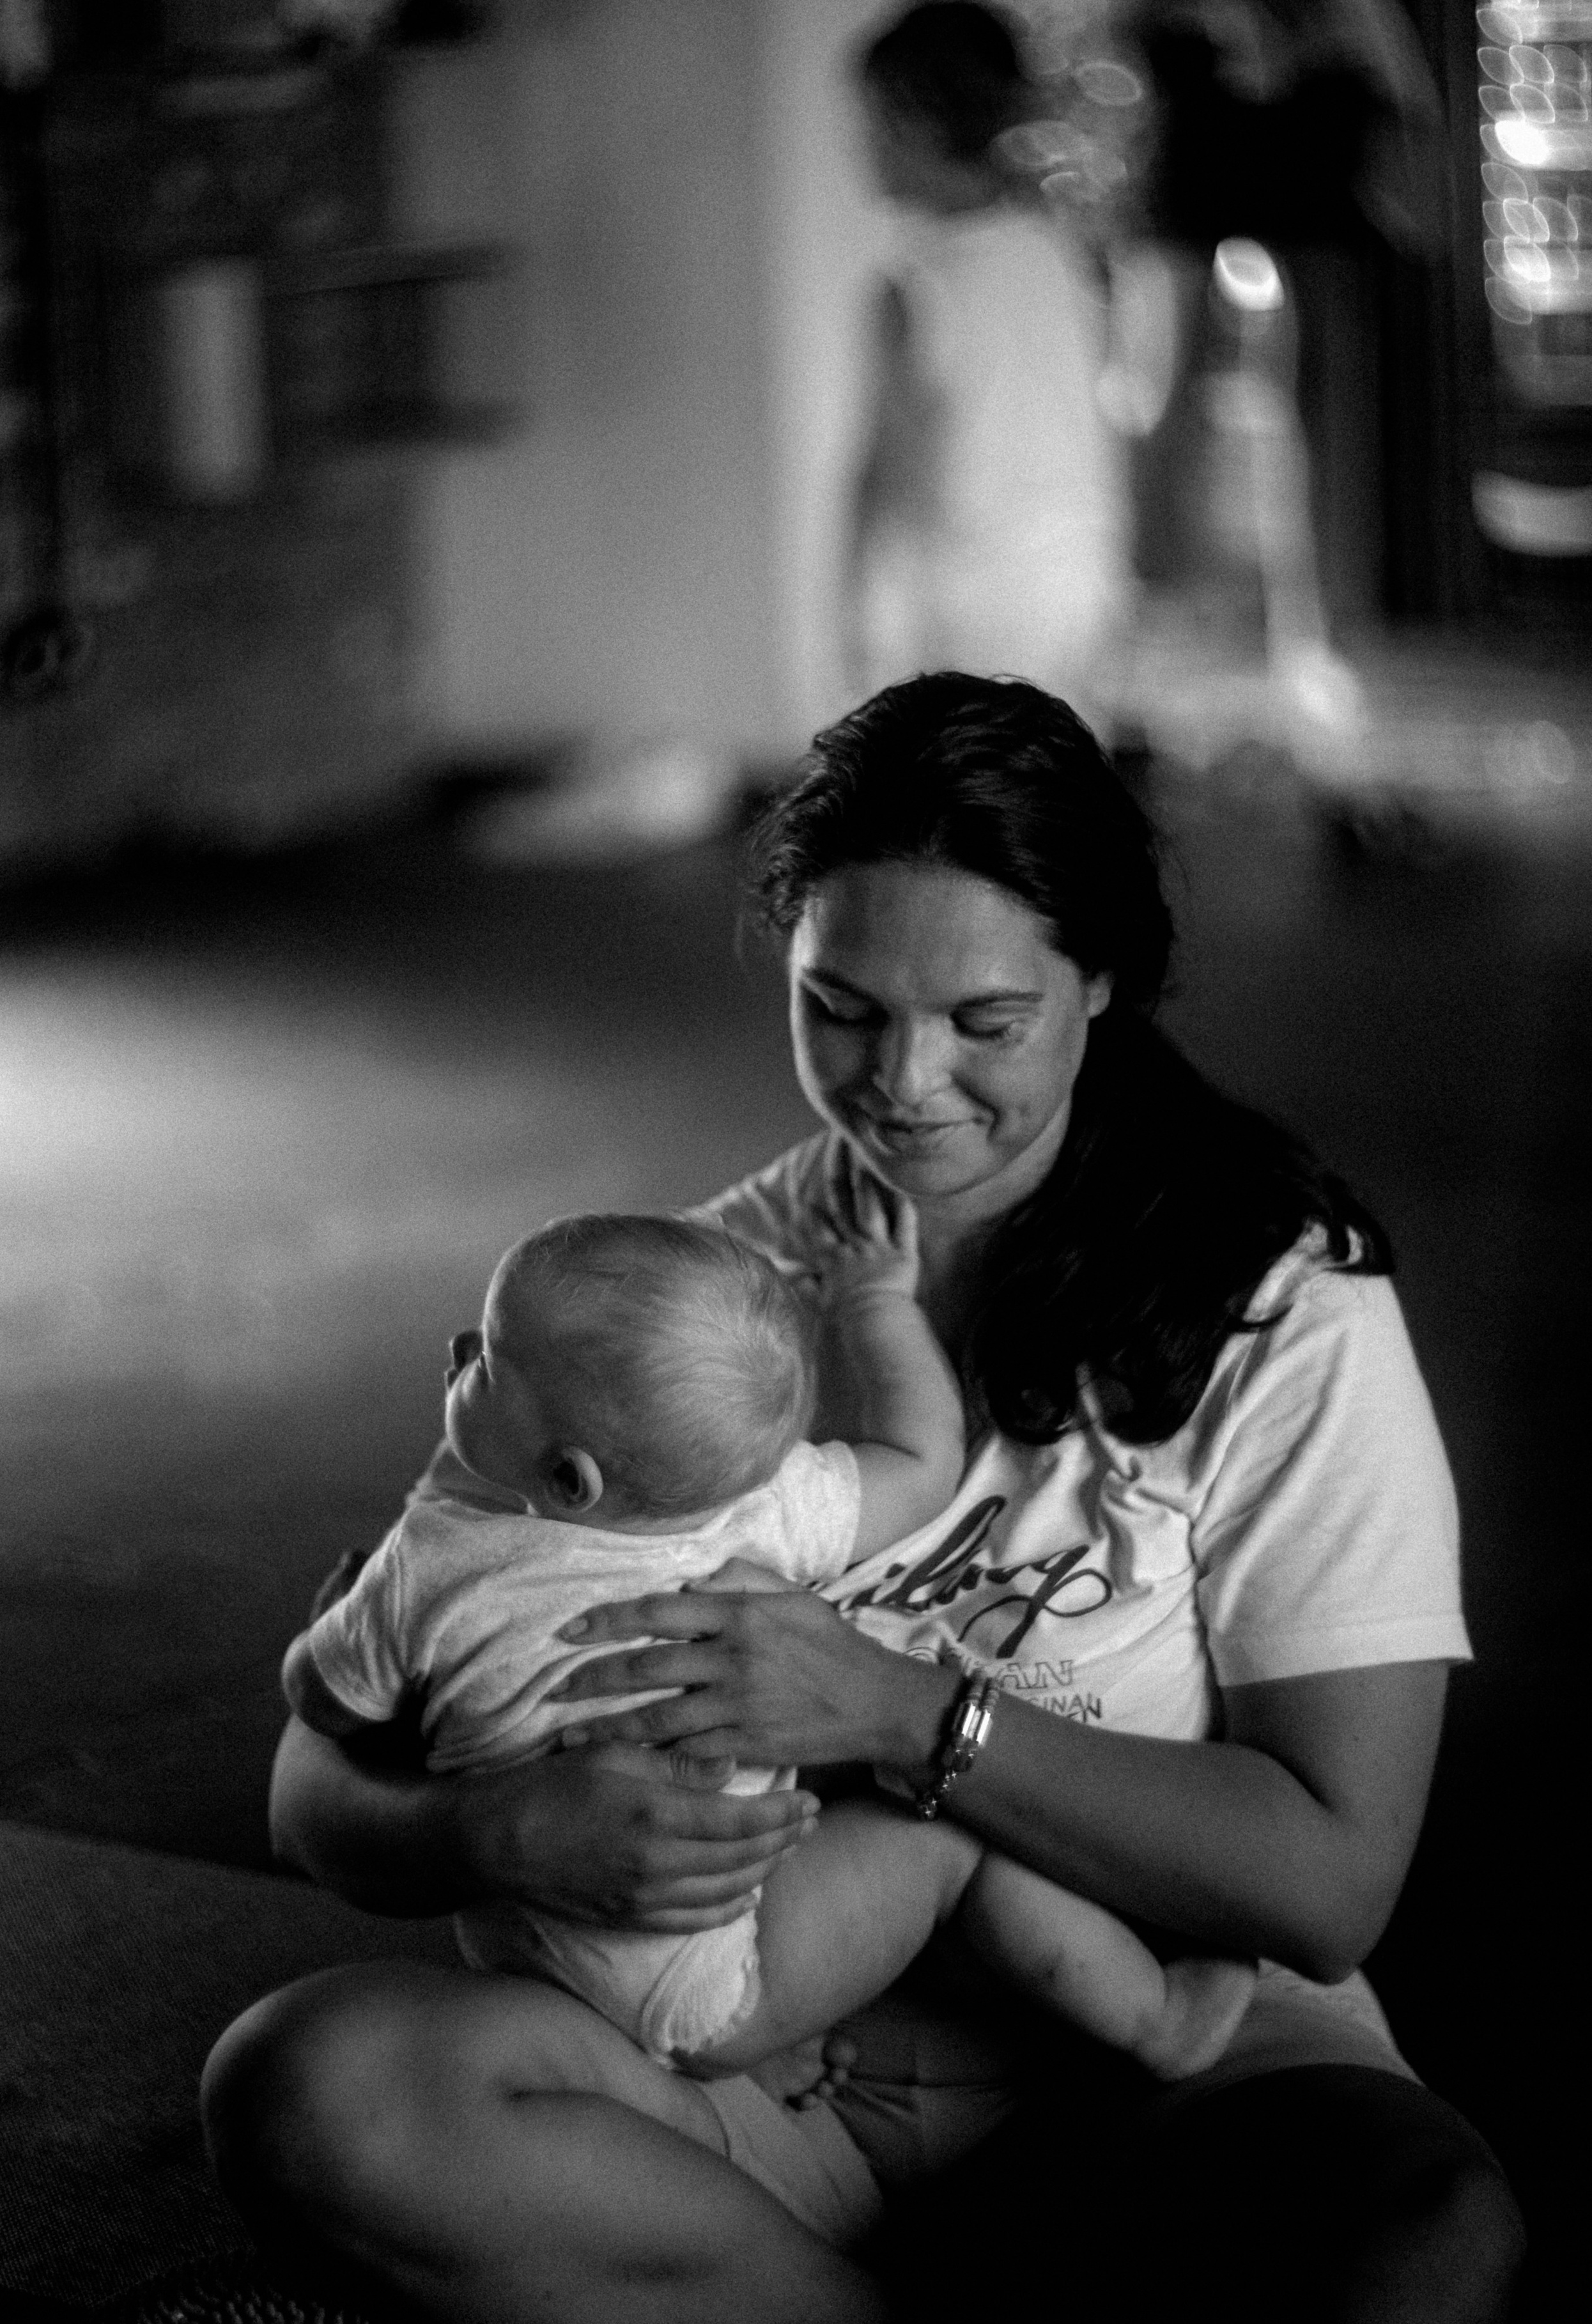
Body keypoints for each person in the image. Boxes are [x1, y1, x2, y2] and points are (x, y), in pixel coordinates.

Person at [202, 675, 1525, 2324]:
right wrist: (487, 1827)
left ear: (1096, 983)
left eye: (984, 1022)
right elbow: (318, 1757)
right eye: (840, 1006)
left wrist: (905, 1710)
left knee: (1415, 2236)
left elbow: (1325, 1886)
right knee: (311, 2084)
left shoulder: (1284, 1318)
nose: (901, 1082)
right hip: (745, 2074)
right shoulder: (681, 1323)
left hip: (1146, 2062)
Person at [282, 1206, 1255, 2082]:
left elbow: (325, 1704)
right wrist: (877, 1302)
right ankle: (1158, 2018)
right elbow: (924, 1457)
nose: (457, 1350)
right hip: (703, 1970)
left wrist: (335, 1626)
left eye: (484, 1362)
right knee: (944, 1835)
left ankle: (774, 2043)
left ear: (571, 1482)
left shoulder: (431, 1558)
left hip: (520, 1947)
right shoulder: (758, 1510)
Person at [844, 1, 1134, 727]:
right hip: (1076, 581)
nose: (859, 146)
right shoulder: (1061, 255)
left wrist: (859, 611)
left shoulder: (914, 283)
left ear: (912, 122)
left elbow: (890, 471)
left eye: (869, 121)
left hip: (966, 598)